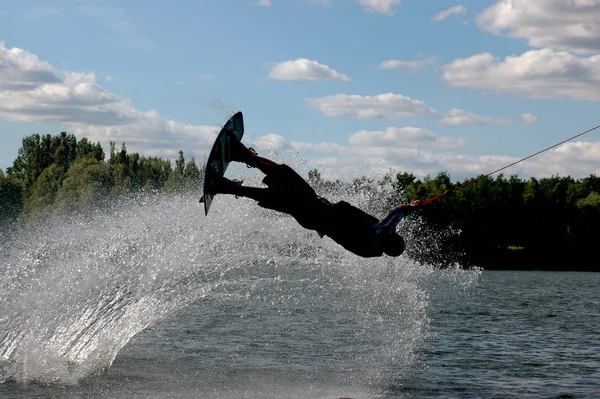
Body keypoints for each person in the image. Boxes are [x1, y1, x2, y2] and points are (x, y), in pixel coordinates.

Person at [214, 131, 422, 258]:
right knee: (279, 195)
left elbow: (396, 212)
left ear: (391, 239)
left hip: (317, 209)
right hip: (313, 220)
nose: (392, 231)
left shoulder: (380, 234)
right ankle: (226, 187)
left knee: (284, 175)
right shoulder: (371, 250)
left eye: (393, 234)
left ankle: (239, 156)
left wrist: (411, 208)